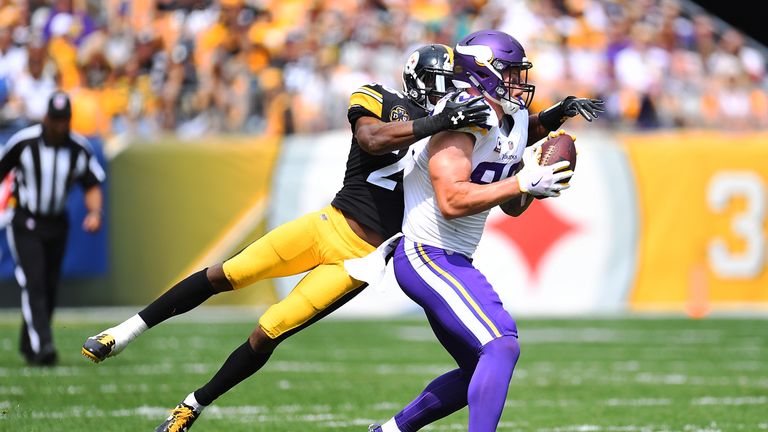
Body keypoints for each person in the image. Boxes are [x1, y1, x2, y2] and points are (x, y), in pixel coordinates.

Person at [80, 44, 489, 431]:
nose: (452, 88)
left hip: (362, 260)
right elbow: (371, 138)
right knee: (226, 273)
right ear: (422, 78)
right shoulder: (379, 97)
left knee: (267, 332)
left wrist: (552, 119)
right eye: (445, 78)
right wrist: (436, 121)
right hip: (328, 224)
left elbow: (500, 150)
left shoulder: (454, 133)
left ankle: (192, 405)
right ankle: (122, 332)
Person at [369, 30, 604, 432]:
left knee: (479, 366)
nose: (518, 81)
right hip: (427, 254)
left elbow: (511, 206)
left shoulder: (512, 119)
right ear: (482, 71)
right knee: (500, 344)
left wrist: (533, 180)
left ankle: (389, 431)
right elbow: (452, 200)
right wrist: (521, 182)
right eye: (509, 72)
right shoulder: (464, 114)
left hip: (453, 256)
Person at [0, 91, 105, 366]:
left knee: (49, 286)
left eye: (64, 120)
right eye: (55, 119)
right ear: (46, 117)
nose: (59, 125)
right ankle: (44, 345)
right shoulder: (24, 142)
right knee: (34, 281)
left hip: (57, 223)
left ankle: (29, 342)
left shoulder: (78, 148)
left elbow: (92, 182)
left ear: (70, 120)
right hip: (25, 220)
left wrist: (95, 212)